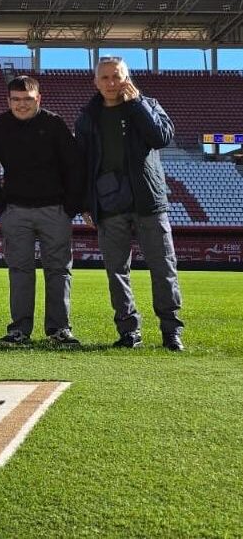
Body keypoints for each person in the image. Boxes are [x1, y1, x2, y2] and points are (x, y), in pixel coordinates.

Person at [75, 56, 185, 351]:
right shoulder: (87, 117)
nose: (112, 82)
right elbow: (83, 164)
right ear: (96, 82)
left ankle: (171, 331)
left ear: (127, 78)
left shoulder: (148, 104)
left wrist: (137, 104)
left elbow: (161, 137)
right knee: (117, 271)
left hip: (148, 200)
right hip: (108, 202)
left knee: (163, 268)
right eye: (105, 77)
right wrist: (86, 203)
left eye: (117, 76)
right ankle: (128, 331)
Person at [0, 76, 84, 345]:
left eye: (27, 99)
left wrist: (69, 208)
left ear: (38, 98)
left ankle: (59, 329)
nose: (22, 105)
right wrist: (0, 208)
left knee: (58, 270)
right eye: (16, 99)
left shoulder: (54, 124)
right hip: (15, 211)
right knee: (19, 271)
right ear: (8, 101)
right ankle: (19, 330)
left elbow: (74, 167)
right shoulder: (1, 125)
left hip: (55, 211)